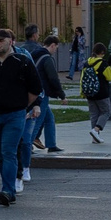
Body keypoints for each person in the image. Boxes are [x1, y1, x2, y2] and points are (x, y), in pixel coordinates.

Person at [0, 28, 43, 207]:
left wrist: (22, 105)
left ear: (10, 41)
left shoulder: (22, 62)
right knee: (0, 155)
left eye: (0, 40)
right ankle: (8, 186)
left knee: (8, 152)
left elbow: (36, 88)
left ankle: (8, 190)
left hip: (14, 115)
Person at [28, 25, 66, 154]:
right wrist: (62, 95)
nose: (55, 50)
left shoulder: (35, 55)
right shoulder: (47, 58)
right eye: (56, 47)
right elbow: (53, 78)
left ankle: (51, 144)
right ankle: (27, 144)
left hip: (34, 90)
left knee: (49, 118)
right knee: (38, 120)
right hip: (42, 93)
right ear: (53, 45)